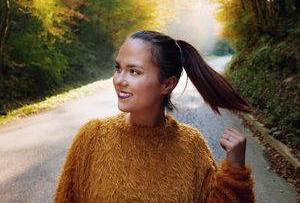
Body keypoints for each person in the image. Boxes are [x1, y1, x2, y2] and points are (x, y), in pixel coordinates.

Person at [53, 30, 256, 203]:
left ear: (167, 84)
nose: (119, 80)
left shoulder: (192, 146)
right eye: (118, 68)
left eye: (134, 71)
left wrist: (235, 172)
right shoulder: (92, 137)